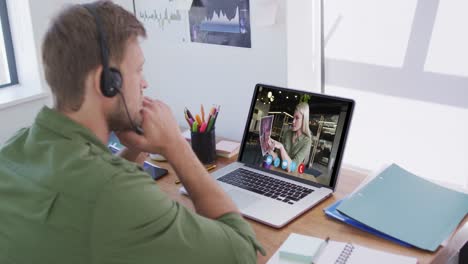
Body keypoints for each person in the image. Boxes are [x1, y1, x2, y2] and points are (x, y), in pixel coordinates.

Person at [0, 1, 263, 263]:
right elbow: (243, 251)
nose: (145, 82)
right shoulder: (115, 194)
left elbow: (88, 186)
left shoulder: (13, 150)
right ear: (107, 83)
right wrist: (175, 146)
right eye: (138, 70)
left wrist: (138, 146)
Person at [268, 102, 312, 172]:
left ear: (304, 120)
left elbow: (291, 168)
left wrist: (282, 147)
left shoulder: (307, 141)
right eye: (293, 117)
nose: (293, 121)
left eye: (297, 118)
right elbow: (278, 159)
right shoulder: (288, 133)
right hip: (279, 171)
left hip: (292, 177)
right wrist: (269, 150)